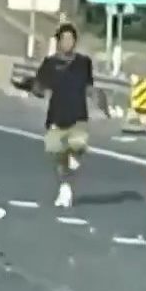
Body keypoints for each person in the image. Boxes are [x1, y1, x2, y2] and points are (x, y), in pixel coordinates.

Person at [32, 23, 109, 207]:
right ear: (58, 42)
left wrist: (102, 104)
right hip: (56, 115)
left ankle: (72, 163)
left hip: (78, 114)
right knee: (57, 154)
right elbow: (39, 86)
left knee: (77, 145)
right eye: (64, 39)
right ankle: (65, 187)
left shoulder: (84, 63)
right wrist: (35, 89)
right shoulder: (50, 63)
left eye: (71, 39)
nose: (68, 43)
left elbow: (90, 87)